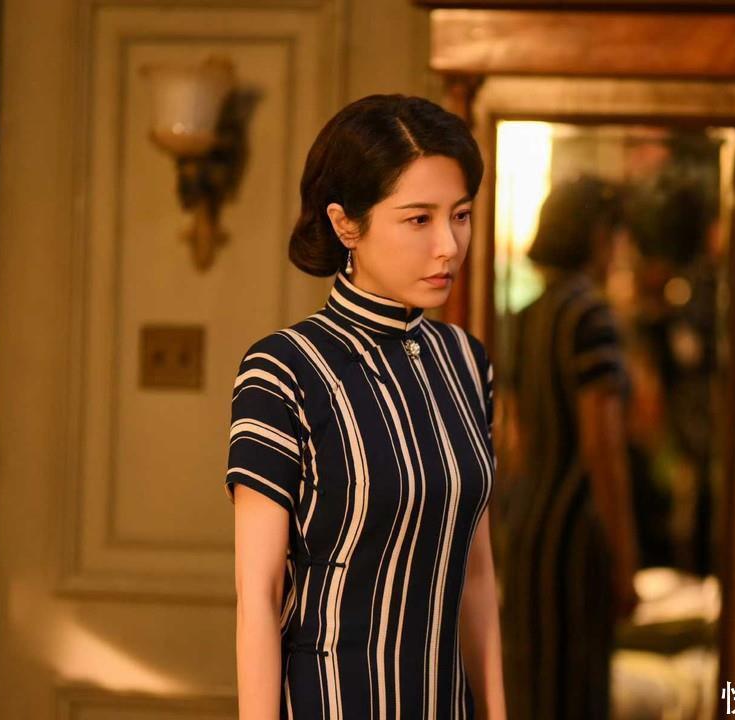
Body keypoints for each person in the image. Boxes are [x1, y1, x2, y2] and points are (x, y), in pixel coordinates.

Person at [225, 94, 506, 720]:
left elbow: (478, 577)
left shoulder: (466, 362)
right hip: (329, 700)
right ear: (346, 224)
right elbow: (259, 596)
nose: (449, 245)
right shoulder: (284, 370)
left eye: (460, 215)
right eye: (418, 219)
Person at [499, 175, 641, 720]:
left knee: (532, 689)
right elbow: (602, 449)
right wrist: (624, 561)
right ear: (599, 235)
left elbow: (517, 442)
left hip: (528, 527)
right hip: (575, 533)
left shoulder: (528, 316)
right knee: (575, 691)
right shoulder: (590, 316)